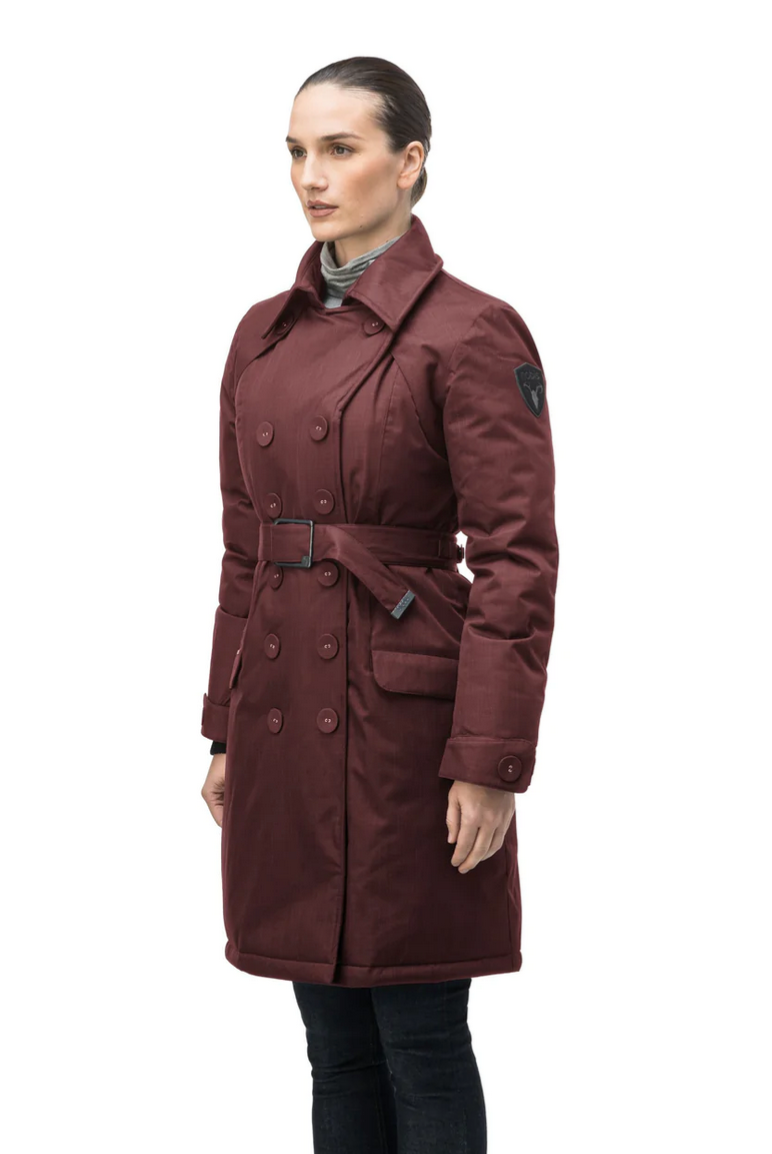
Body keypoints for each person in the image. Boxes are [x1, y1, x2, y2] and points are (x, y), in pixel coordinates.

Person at [200, 55, 559, 1154]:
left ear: (409, 164)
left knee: (422, 1038)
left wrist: (488, 759)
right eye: (296, 152)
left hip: (407, 731)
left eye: (339, 149)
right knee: (333, 1047)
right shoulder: (261, 334)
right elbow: (242, 550)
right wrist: (222, 728)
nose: (310, 176)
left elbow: (516, 561)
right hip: (284, 718)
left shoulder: (471, 329)